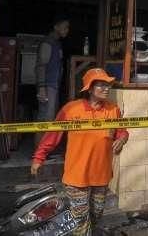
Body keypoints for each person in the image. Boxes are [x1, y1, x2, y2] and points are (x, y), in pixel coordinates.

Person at [31, 68, 129, 235]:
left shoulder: (113, 110)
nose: (106, 89)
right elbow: (52, 135)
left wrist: (122, 139)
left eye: (108, 85)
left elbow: (122, 131)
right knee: (81, 217)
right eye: (101, 85)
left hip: (101, 174)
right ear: (90, 89)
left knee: (96, 213)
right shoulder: (71, 109)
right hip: (76, 175)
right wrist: (38, 158)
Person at [35, 17, 70, 145]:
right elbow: (41, 65)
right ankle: (38, 153)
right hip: (47, 85)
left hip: (53, 86)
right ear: (56, 27)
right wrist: (41, 87)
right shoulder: (47, 43)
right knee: (44, 119)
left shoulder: (57, 43)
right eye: (65, 26)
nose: (67, 30)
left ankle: (45, 151)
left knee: (50, 118)